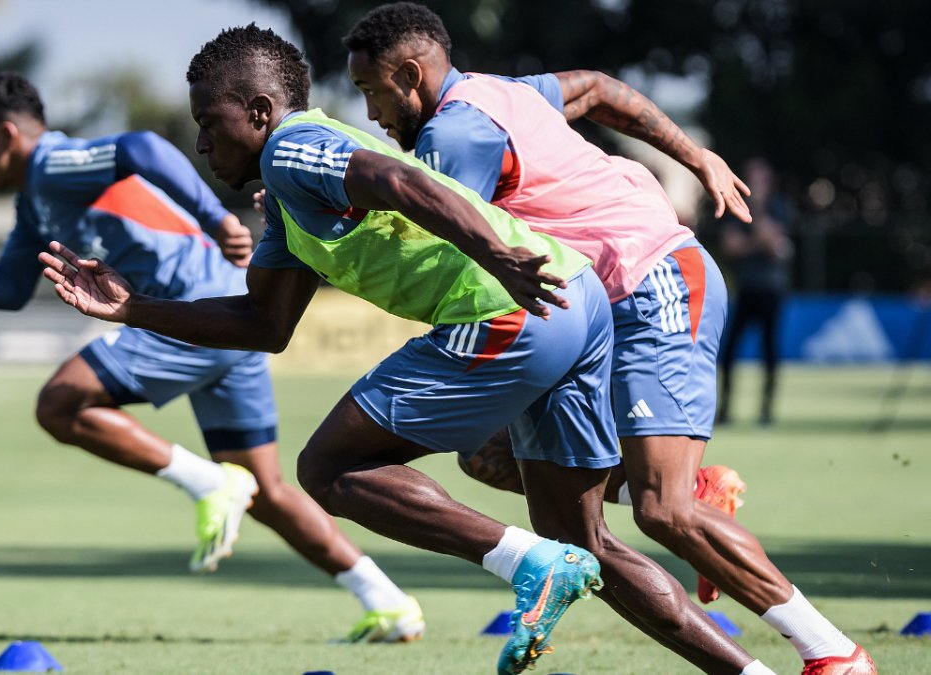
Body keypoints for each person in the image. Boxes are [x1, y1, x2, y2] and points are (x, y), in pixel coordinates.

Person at [40, 24, 773, 675]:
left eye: (209, 123)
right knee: (593, 546)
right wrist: (133, 307)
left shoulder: (294, 149)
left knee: (327, 466)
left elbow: (393, 179)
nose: (201, 143)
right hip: (570, 300)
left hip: (511, 308)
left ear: (260, 113)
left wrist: (496, 253)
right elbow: (264, 324)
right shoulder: (290, 197)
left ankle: (531, 563)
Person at [340, 4, 873, 674]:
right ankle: (702, 514)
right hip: (586, 310)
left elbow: (439, 241)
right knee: (494, 464)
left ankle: (833, 652)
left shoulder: (456, 134)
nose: (370, 112)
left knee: (662, 510)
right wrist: (693, 152)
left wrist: (321, 206)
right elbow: (595, 86)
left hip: (653, 282)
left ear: (410, 74)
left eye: (370, 90)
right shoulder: (503, 90)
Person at [0, 72, 425, 644]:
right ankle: (387, 601)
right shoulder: (34, 203)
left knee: (60, 404)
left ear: (6, 135)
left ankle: (207, 483)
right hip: (226, 317)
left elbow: (143, 148)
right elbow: (8, 287)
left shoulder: (52, 164)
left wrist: (216, 216)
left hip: (187, 311)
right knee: (266, 490)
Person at [717, 158, 794, 427]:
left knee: (769, 352)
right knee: (728, 353)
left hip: (772, 291)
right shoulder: (735, 207)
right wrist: (757, 243)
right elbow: (731, 247)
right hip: (745, 290)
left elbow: (775, 244)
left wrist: (758, 211)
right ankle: (725, 409)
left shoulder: (779, 207)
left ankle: (766, 410)